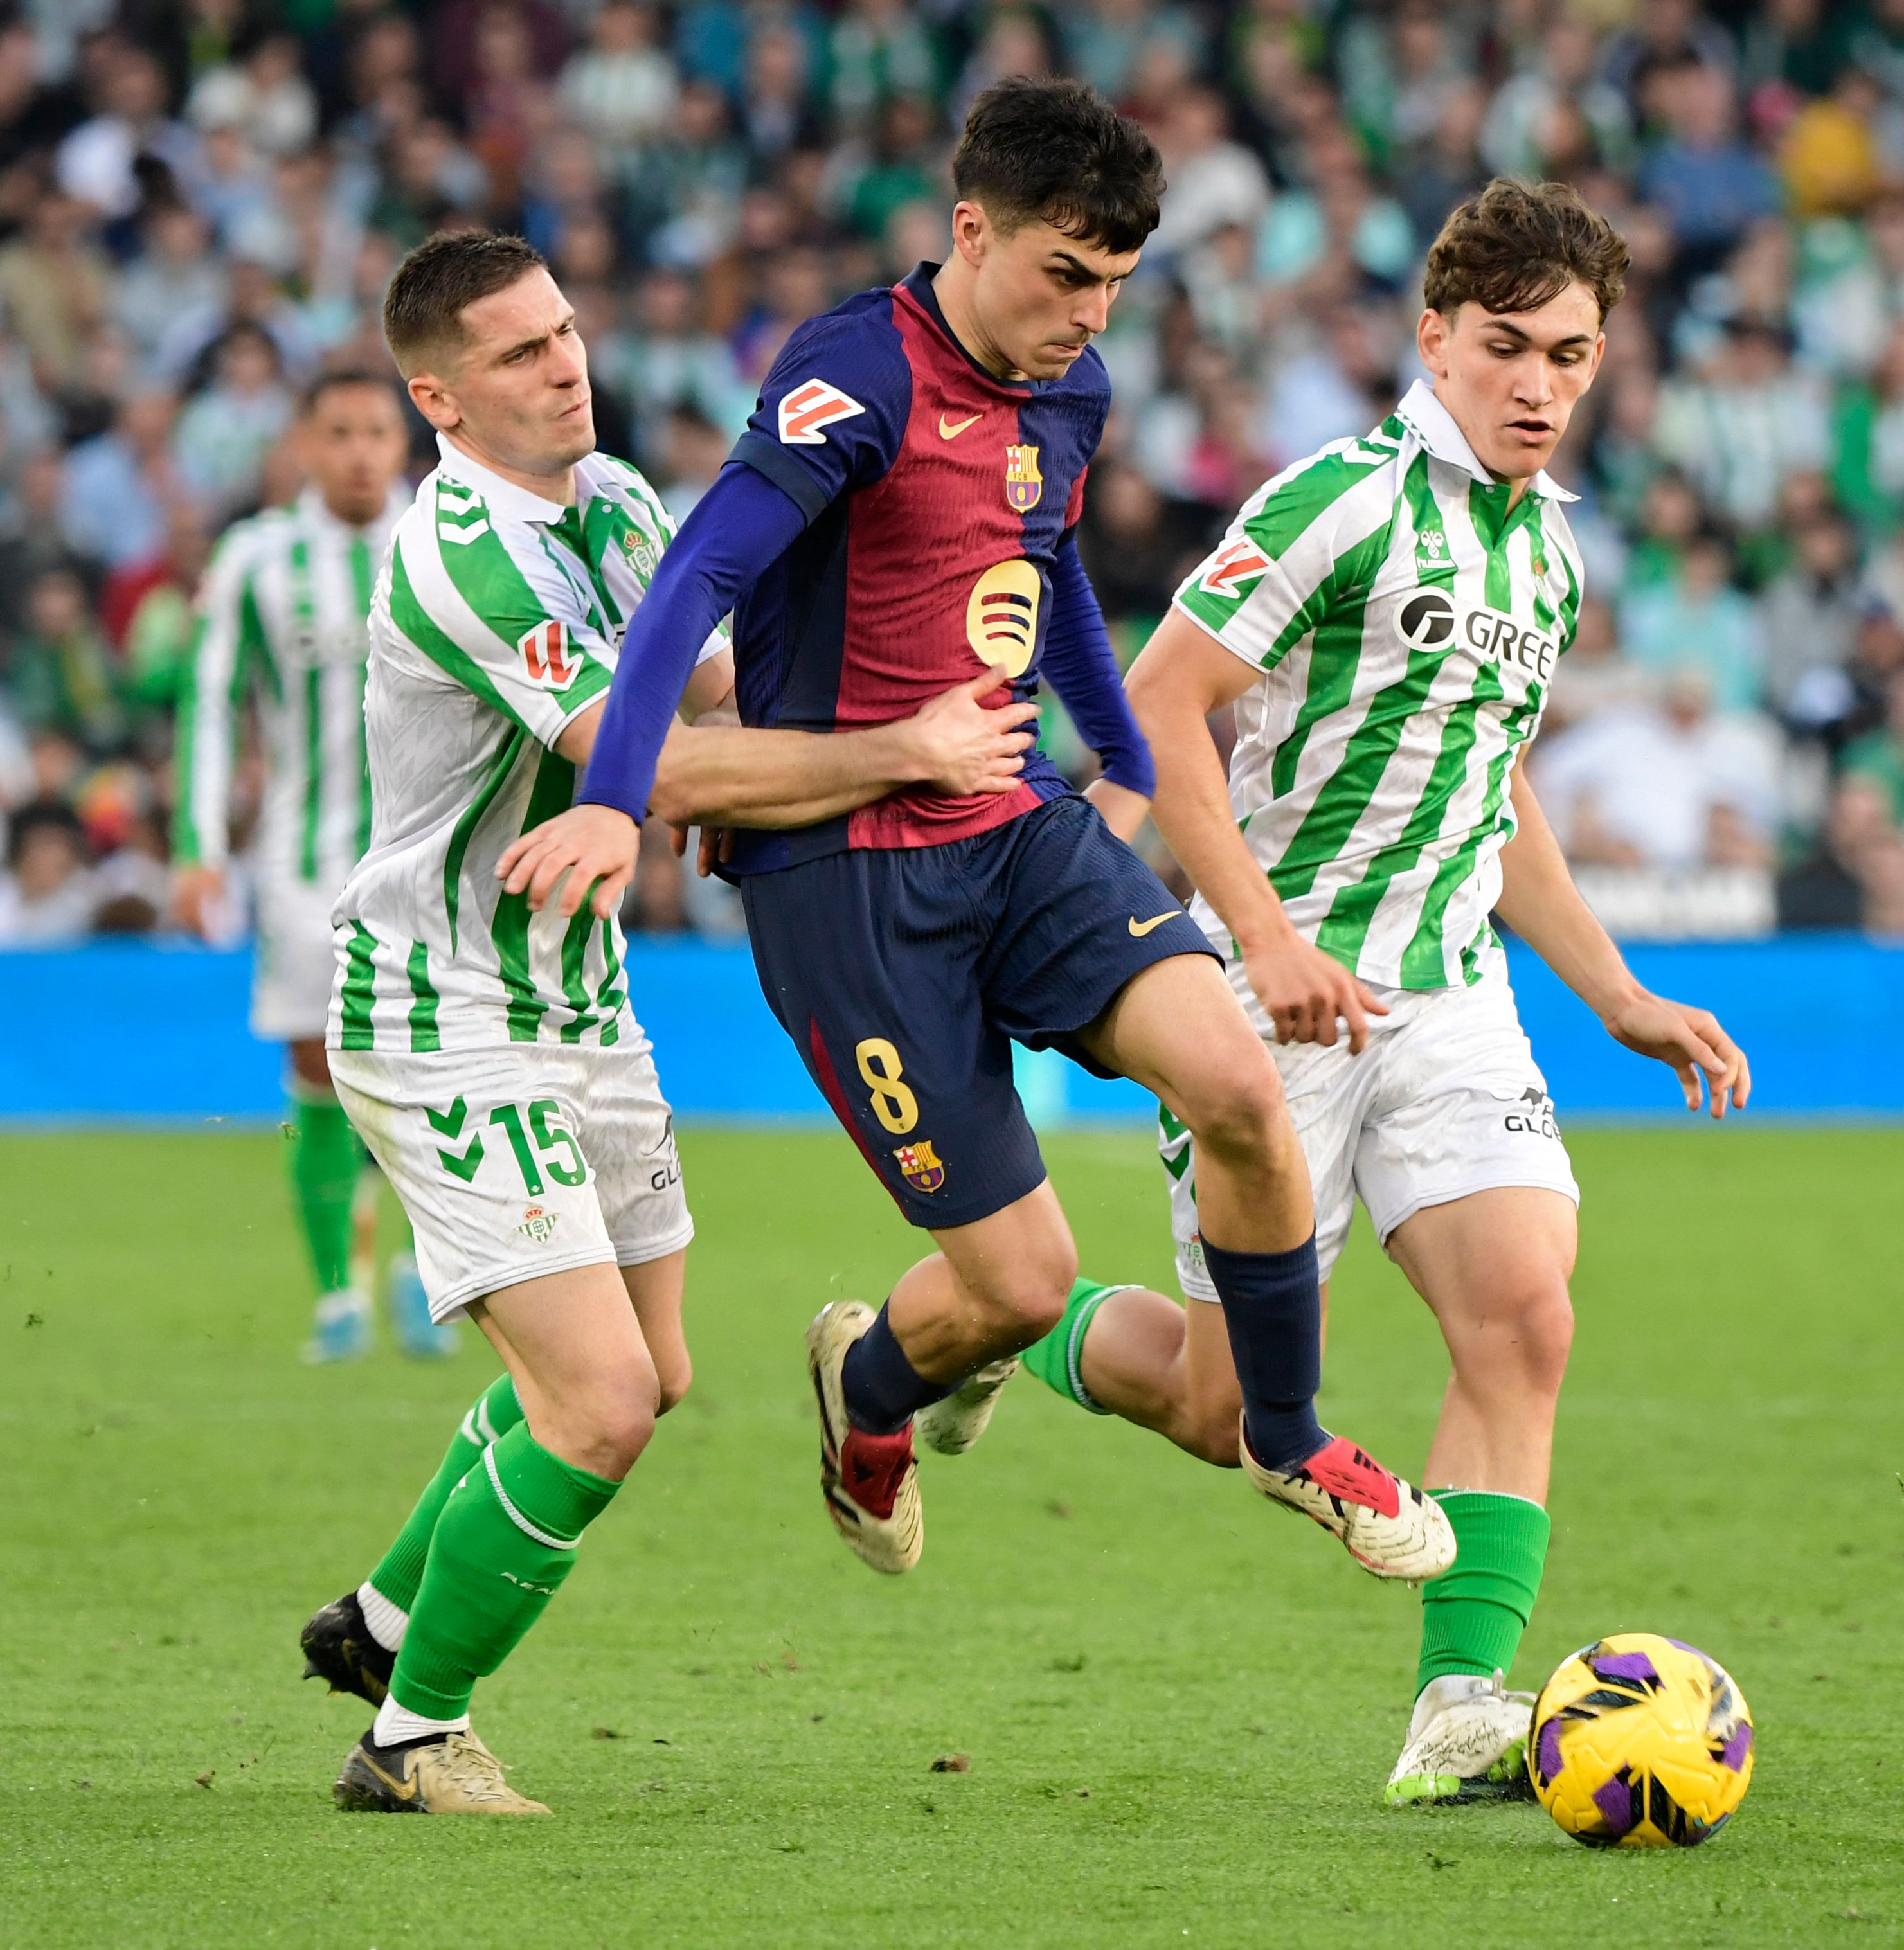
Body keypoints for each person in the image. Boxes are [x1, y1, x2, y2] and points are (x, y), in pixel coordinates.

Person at [495, 80, 1455, 1591]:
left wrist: (1124, 761)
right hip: (842, 882)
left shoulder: (1069, 395)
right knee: (1019, 1284)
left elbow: (1048, 569)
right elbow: (690, 582)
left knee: (1246, 1088)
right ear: (970, 230)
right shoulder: (852, 375)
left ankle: (1286, 1434)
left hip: (1011, 824)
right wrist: (619, 800)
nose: (1086, 315)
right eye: (1062, 273)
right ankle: (866, 1387)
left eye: (1114, 285)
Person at [1023, 180, 1752, 1807]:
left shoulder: (1550, 548)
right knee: (1222, 1411)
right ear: (1435, 338)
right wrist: (1263, 934)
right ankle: (1016, 1328)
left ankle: (1457, 1703)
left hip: (1447, 997)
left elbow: (1493, 795)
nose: (1538, 386)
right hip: (1264, 1002)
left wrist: (1616, 991)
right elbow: (1159, 708)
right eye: (1504, 348)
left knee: (1524, 1314)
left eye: (1570, 354)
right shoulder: (1339, 503)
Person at [304, 230, 1040, 1818]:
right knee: (597, 1401)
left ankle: (376, 1620)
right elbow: (651, 764)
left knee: (653, 1365)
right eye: (516, 353)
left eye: (565, 331)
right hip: (444, 1008)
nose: (564, 362)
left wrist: (840, 730)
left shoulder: (623, 503)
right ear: (436, 395)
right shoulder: (466, 556)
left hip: (582, 998)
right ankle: (413, 1736)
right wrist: (907, 747)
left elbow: (707, 703)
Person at [172, 371, 426, 1363]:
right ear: (305, 445)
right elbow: (207, 701)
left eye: (377, 431)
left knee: (433, 1062)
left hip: (434, 856)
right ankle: (337, 1292)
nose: (361, 450)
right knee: (319, 1067)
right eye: (340, 432)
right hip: (305, 859)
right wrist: (195, 846)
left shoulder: (447, 538)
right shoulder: (256, 559)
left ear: (405, 441)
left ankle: (420, 1267)